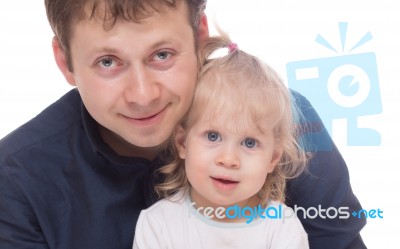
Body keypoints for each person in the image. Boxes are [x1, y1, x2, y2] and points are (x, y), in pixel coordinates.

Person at [0, 0, 366, 248]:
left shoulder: (282, 120)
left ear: (200, 36)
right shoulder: (18, 180)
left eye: (162, 55)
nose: (142, 95)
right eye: (108, 62)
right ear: (65, 63)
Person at [133, 33, 310, 248]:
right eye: (213, 136)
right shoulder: (157, 224)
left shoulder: (282, 228)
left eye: (249, 143)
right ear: (182, 143)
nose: (228, 159)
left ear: (273, 157)